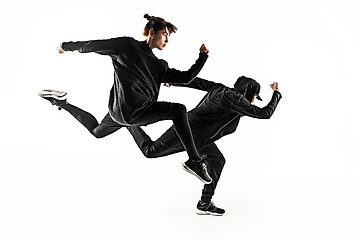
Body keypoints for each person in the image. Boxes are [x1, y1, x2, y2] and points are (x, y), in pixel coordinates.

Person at [39, 14, 212, 184]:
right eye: (165, 35)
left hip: (118, 112)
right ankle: (195, 161)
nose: (167, 40)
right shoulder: (127, 46)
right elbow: (93, 45)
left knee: (97, 132)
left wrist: (201, 58)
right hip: (134, 112)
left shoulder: (159, 66)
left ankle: (61, 102)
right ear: (152, 32)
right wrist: (65, 46)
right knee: (178, 110)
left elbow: (186, 77)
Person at [127, 76, 282, 215]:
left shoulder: (222, 89)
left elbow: (197, 82)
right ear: (249, 92)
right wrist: (276, 94)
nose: (253, 101)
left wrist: (172, 81)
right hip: (187, 131)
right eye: (254, 96)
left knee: (217, 160)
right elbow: (265, 114)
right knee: (150, 151)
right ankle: (127, 122)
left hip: (200, 137)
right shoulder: (236, 99)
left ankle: (205, 203)